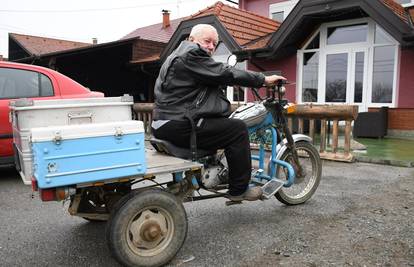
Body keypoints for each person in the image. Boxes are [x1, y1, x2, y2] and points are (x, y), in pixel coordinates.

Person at [152, 24, 286, 201]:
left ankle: (217, 169)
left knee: (222, 125)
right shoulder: (191, 54)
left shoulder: (177, 55)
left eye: (214, 44)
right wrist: (263, 79)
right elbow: (225, 72)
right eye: (207, 41)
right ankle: (240, 190)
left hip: (165, 122)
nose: (210, 47)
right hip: (179, 123)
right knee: (237, 129)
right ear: (192, 40)